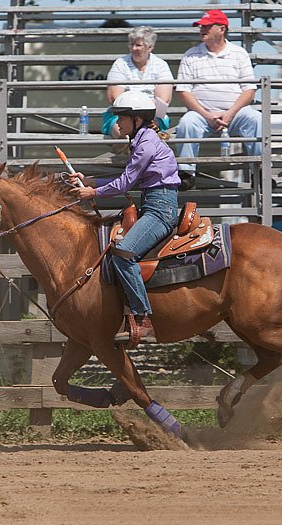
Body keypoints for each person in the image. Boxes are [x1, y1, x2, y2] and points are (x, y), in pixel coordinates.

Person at [70, 92, 180, 344]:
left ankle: (143, 318)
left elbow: (126, 182)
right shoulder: (144, 140)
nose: (117, 123)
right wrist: (90, 181)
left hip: (159, 209)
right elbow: (127, 179)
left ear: (137, 119)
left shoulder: (146, 144)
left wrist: (93, 191)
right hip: (154, 203)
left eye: (122, 118)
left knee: (124, 253)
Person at [174, 9, 262, 185]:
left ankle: (260, 172)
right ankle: (186, 173)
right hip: (202, 115)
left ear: (221, 29)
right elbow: (183, 91)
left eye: (207, 26)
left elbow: (249, 90)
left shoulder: (239, 54)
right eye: (201, 26)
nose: (202, 30)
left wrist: (230, 113)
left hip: (236, 113)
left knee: (257, 119)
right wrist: (207, 115)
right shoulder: (191, 54)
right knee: (187, 123)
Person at [103, 26, 174, 139]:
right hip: (122, 115)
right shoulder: (120, 64)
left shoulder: (161, 65)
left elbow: (164, 99)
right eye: (131, 44)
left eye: (138, 45)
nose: (133, 48)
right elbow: (114, 97)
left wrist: (143, 117)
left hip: (152, 116)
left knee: (146, 131)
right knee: (124, 129)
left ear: (150, 47)